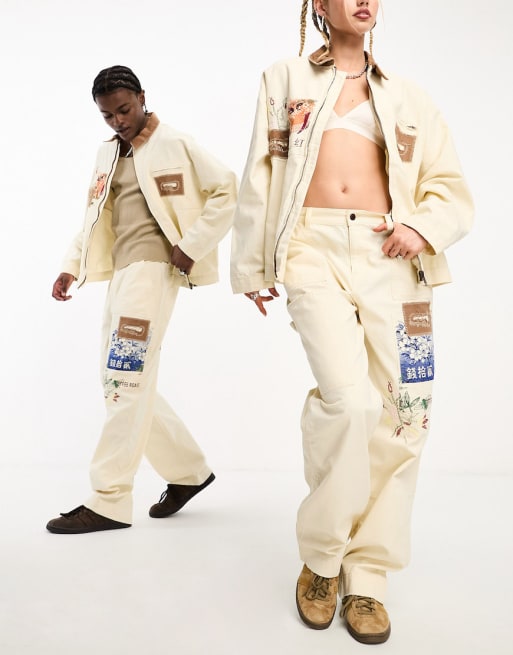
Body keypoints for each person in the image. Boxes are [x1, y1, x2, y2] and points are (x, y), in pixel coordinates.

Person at [230, 0, 473, 644]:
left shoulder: (411, 97)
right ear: (319, 4)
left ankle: (369, 576)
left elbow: (450, 188)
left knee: (406, 412)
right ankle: (322, 560)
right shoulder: (284, 78)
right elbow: (261, 170)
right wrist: (252, 264)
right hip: (309, 249)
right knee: (347, 401)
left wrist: (421, 227)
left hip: (394, 254)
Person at [47, 65, 237, 535]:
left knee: (124, 379)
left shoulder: (174, 143)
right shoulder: (108, 153)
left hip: (152, 273)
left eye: (124, 109)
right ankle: (188, 472)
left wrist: (191, 245)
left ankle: (109, 499)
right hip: (121, 273)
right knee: (121, 379)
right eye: (107, 115)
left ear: (142, 97)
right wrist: (72, 265)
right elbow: (94, 216)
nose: (118, 121)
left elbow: (226, 189)